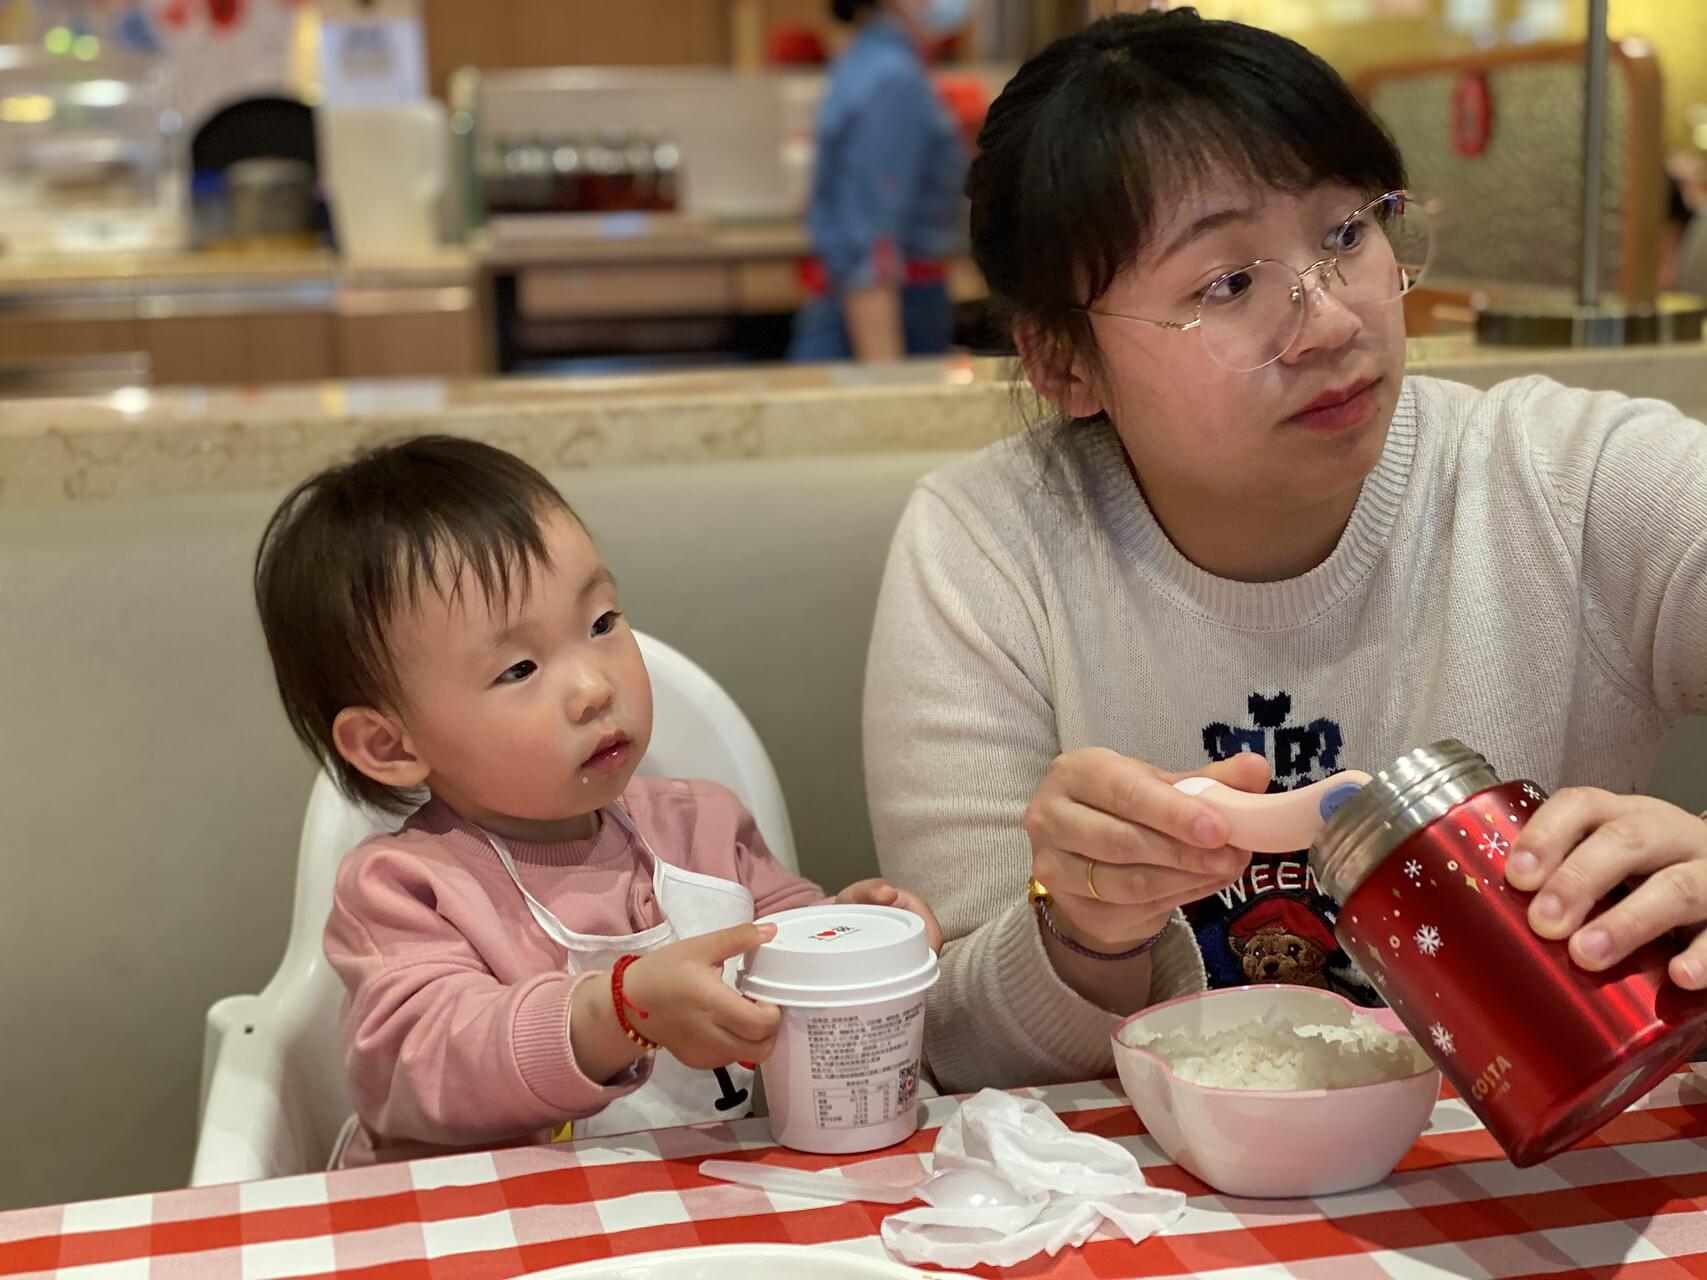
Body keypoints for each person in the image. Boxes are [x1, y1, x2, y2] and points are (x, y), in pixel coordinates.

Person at [862, 9, 1707, 1095]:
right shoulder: (989, 546)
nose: (1331, 320)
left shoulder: (1570, 480)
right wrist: (1083, 934)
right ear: (1064, 361)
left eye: (1346, 233)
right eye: (1228, 283)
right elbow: (954, 1043)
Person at [254, 436, 940, 1165]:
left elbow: (782, 948)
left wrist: (853, 939)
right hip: (491, 1225)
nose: (593, 688)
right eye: (518, 667)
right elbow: (421, 1064)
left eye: (602, 623)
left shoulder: (701, 827)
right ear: (391, 745)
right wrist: (615, 1012)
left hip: (704, 1208)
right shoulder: (405, 890)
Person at [789, 0, 970, 362]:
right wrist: (888, 387)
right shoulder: (893, 78)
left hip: (886, 304)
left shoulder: (876, 60)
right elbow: (870, 248)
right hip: (880, 315)